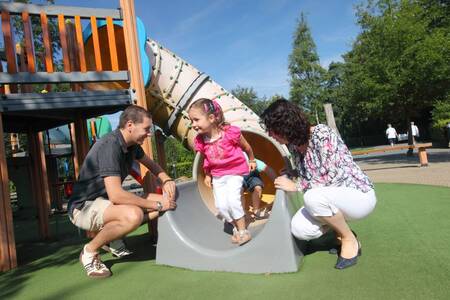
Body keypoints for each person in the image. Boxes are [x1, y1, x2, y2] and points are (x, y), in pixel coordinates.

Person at [260, 98, 377, 270]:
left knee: (312, 198)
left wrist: (297, 185)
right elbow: (310, 171)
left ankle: (348, 239)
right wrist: (292, 173)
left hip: (358, 196)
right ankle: (340, 232)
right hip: (331, 199)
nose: (270, 135)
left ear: (285, 125)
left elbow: (332, 175)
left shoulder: (322, 133)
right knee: (299, 229)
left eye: (272, 130)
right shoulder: (294, 146)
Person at [68, 106, 177, 278]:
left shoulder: (133, 145)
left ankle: (112, 237)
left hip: (108, 204)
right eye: (146, 129)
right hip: (84, 207)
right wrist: (156, 204)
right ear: (130, 125)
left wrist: (167, 179)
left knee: (170, 199)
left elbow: (152, 165)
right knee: (133, 214)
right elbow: (116, 195)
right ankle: (89, 252)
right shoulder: (110, 146)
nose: (149, 133)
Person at [188, 98, 257, 245]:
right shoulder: (201, 140)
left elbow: (247, 147)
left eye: (196, 120)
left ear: (211, 118)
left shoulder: (231, 133)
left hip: (235, 171)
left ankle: (243, 231)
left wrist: (252, 160)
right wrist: (207, 174)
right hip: (218, 175)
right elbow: (207, 159)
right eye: (191, 121)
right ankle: (235, 226)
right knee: (221, 207)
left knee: (232, 200)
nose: (193, 125)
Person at [242, 155, 277, 220]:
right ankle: (241, 213)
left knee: (258, 187)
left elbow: (268, 170)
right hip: (239, 177)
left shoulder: (253, 161)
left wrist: (276, 181)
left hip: (252, 176)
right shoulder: (233, 162)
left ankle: (256, 211)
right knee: (239, 190)